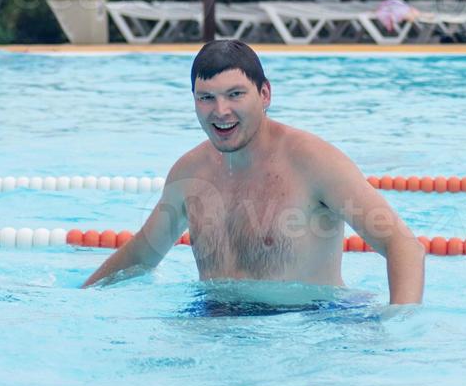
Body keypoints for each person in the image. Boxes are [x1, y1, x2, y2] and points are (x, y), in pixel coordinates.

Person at [83, 40, 425, 305]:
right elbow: (141, 256)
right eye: (206, 98)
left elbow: (402, 245)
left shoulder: (313, 162)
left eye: (235, 94)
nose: (221, 111)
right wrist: (79, 297)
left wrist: (398, 325)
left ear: (264, 94)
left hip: (308, 323)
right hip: (215, 321)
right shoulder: (189, 174)